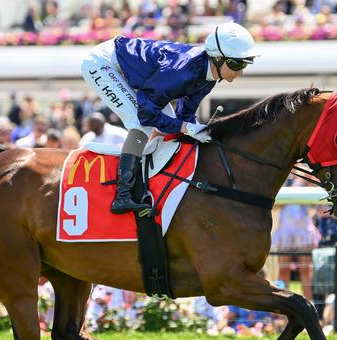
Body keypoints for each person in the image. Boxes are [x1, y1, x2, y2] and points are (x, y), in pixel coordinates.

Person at [81, 22, 260, 214]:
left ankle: (150, 180)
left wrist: (197, 130)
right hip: (102, 63)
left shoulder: (209, 77)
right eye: (236, 64)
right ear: (217, 58)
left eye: (245, 64)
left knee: (170, 120)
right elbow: (146, 113)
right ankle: (122, 195)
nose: (240, 72)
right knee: (141, 124)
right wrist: (186, 128)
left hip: (132, 71)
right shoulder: (180, 71)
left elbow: (185, 114)